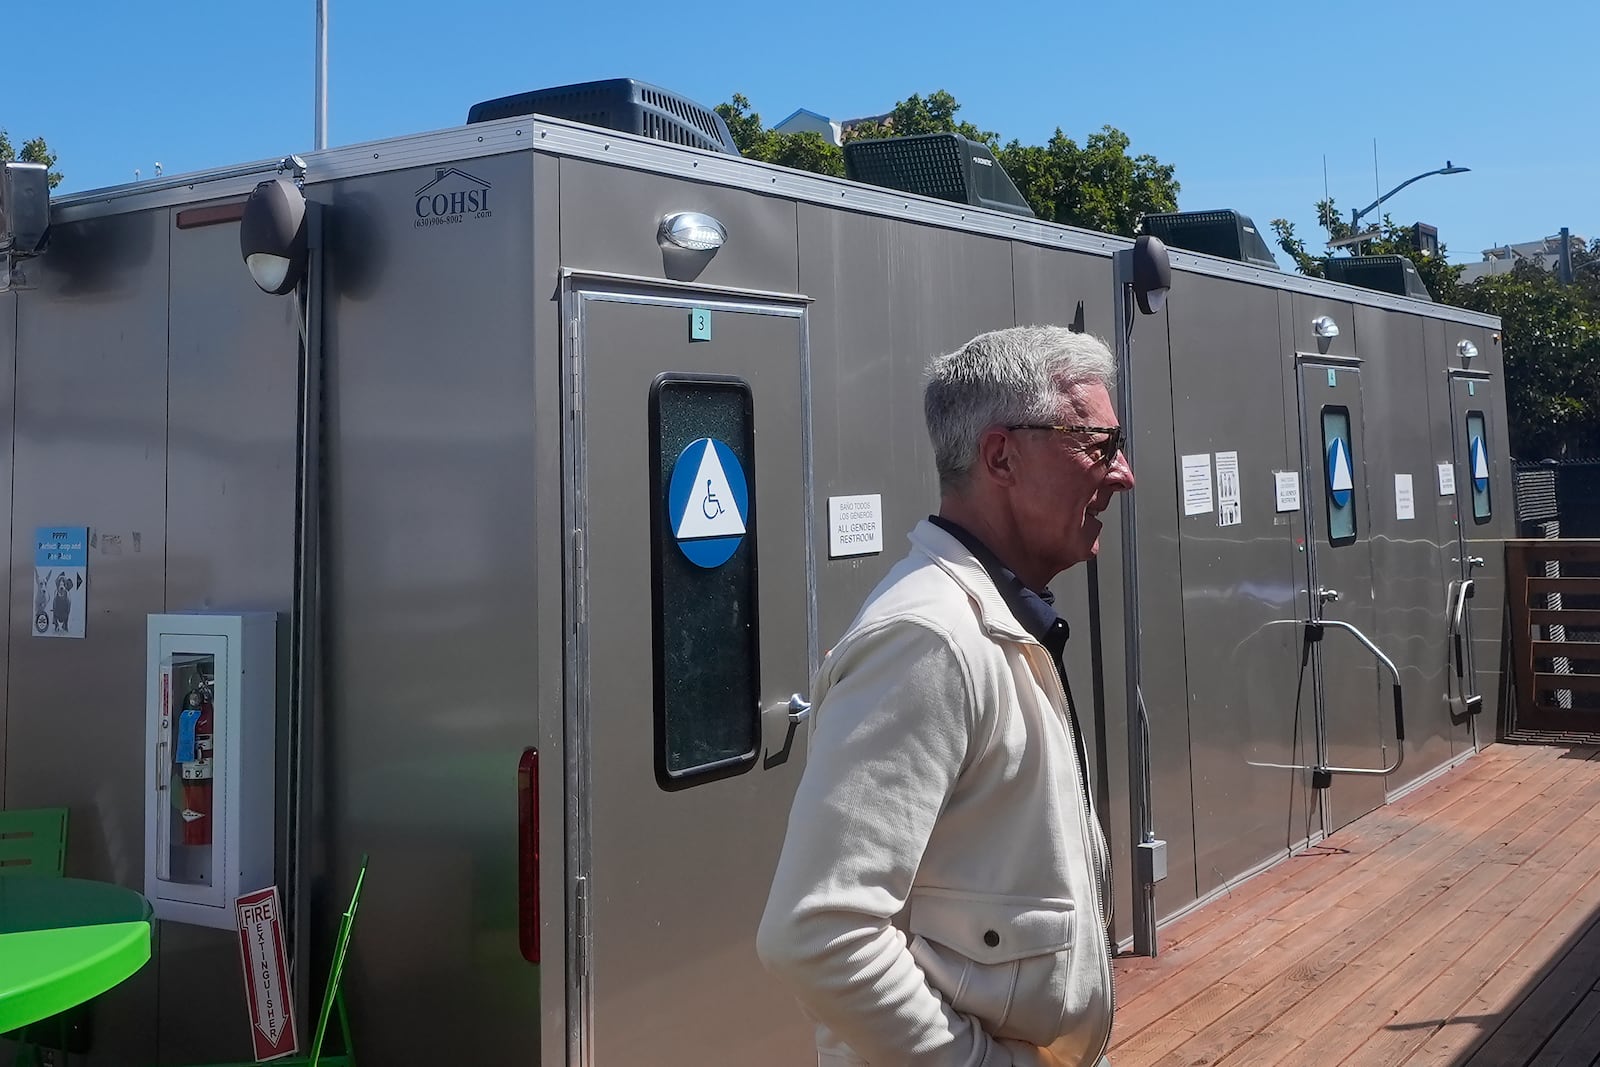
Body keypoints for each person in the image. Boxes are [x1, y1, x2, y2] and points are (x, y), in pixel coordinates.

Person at [757, 325, 1135, 1067]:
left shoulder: (992, 619)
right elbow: (818, 931)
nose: (1122, 473)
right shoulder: (929, 638)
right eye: (1097, 445)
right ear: (1001, 455)